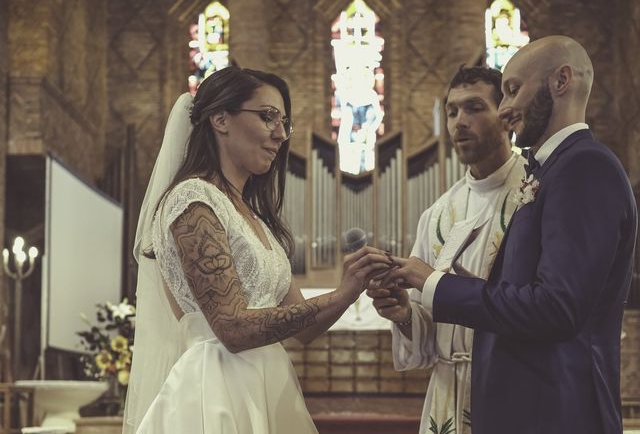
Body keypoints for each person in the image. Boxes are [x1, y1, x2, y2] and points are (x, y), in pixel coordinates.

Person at [379, 36, 637, 434]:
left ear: (560, 81)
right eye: (450, 111)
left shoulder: (579, 168)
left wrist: (435, 283)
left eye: (511, 91)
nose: (505, 109)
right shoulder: (449, 209)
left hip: (549, 404)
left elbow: (557, 308)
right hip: (489, 397)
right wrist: (407, 313)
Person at [123, 66, 392, 433]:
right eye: (267, 117)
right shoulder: (193, 200)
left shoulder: (253, 218)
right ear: (220, 119)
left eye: (284, 122)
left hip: (266, 382)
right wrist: (340, 293)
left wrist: (353, 286)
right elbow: (231, 328)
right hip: (216, 388)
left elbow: (304, 328)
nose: (280, 134)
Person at [367, 65, 526, 434]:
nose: (459, 122)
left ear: (505, 116)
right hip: (447, 388)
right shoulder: (437, 214)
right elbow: (425, 331)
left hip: (510, 383)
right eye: (452, 112)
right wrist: (405, 312)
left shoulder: (533, 191)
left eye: (474, 108)